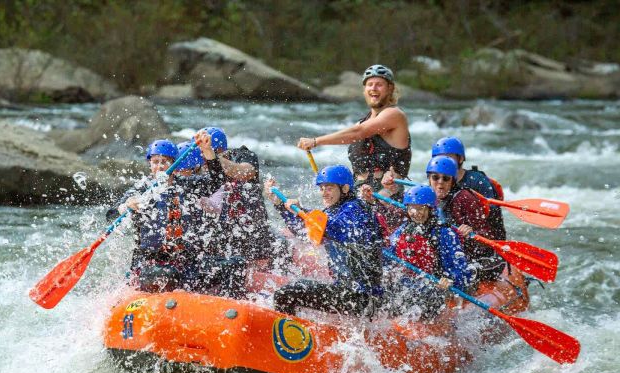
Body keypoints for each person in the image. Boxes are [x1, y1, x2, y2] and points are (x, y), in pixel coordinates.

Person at [106, 136, 246, 298]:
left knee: (236, 264)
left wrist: (208, 152)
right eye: (155, 161)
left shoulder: (187, 184)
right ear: (150, 164)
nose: (159, 166)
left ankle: (229, 311)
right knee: (168, 274)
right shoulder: (140, 189)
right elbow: (110, 215)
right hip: (151, 264)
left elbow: (217, 181)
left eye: (164, 161)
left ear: (173, 164)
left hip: (187, 262)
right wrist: (125, 206)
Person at [264, 165, 384, 317]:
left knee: (286, 293)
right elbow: (305, 232)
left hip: (362, 297)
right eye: (321, 188)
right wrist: (279, 205)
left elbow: (334, 227)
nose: (324, 193)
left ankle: (288, 335)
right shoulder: (332, 210)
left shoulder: (357, 209)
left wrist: (302, 210)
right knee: (293, 289)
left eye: (329, 188)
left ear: (345, 188)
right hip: (345, 289)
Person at [297, 64, 411, 190]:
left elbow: (358, 133)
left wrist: (316, 141)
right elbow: (355, 131)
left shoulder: (394, 114)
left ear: (390, 88)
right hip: (359, 193)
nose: (373, 88)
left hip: (386, 196)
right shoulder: (362, 122)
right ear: (364, 90)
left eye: (379, 84)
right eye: (370, 84)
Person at [195, 127, 283, 270]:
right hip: (222, 236)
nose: (204, 164)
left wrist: (210, 155)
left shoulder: (244, 154)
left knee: (282, 247)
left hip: (254, 232)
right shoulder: (197, 169)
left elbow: (245, 172)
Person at [383, 184, 473, 320]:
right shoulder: (401, 231)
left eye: (421, 208)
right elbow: (388, 259)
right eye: (411, 207)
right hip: (409, 283)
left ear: (430, 208)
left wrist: (450, 280)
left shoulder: (444, 233)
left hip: (437, 285)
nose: (415, 212)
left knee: (427, 297)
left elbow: (459, 267)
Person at [426, 155, 505, 282]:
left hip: (481, 259)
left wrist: (470, 233)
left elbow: (487, 236)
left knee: (460, 274)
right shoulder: (426, 198)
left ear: (452, 181)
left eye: (446, 178)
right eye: (435, 177)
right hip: (450, 256)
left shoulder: (464, 198)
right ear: (429, 179)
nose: (440, 182)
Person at [431, 136, 506, 240]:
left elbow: (492, 216)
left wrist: (473, 230)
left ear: (460, 158)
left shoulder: (477, 181)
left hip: (481, 234)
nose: (444, 162)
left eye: (448, 157)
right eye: (439, 158)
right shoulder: (436, 182)